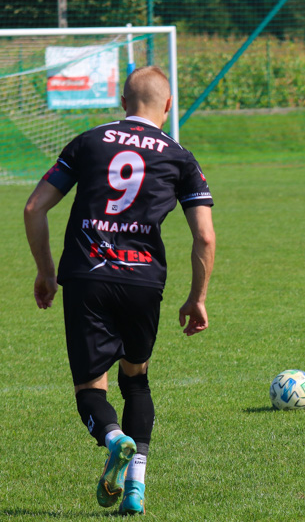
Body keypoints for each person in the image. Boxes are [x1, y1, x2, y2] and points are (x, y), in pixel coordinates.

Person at [23, 66, 216, 513]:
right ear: (168, 106)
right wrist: (197, 297)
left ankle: (113, 438)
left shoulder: (88, 142)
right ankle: (135, 488)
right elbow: (204, 236)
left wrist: (46, 272)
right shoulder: (180, 156)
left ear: (122, 103)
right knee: (136, 378)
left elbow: (34, 207)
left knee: (92, 388)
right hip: (143, 282)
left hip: (87, 276)